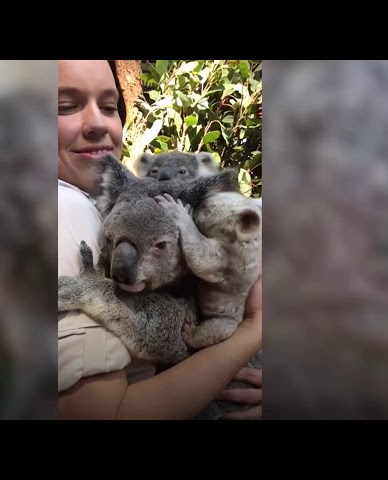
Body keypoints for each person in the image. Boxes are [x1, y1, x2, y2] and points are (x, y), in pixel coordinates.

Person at [57, 59, 262, 420]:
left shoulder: (103, 197)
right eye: (65, 106)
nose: (99, 123)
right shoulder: (64, 207)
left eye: (109, 106)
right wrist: (255, 328)